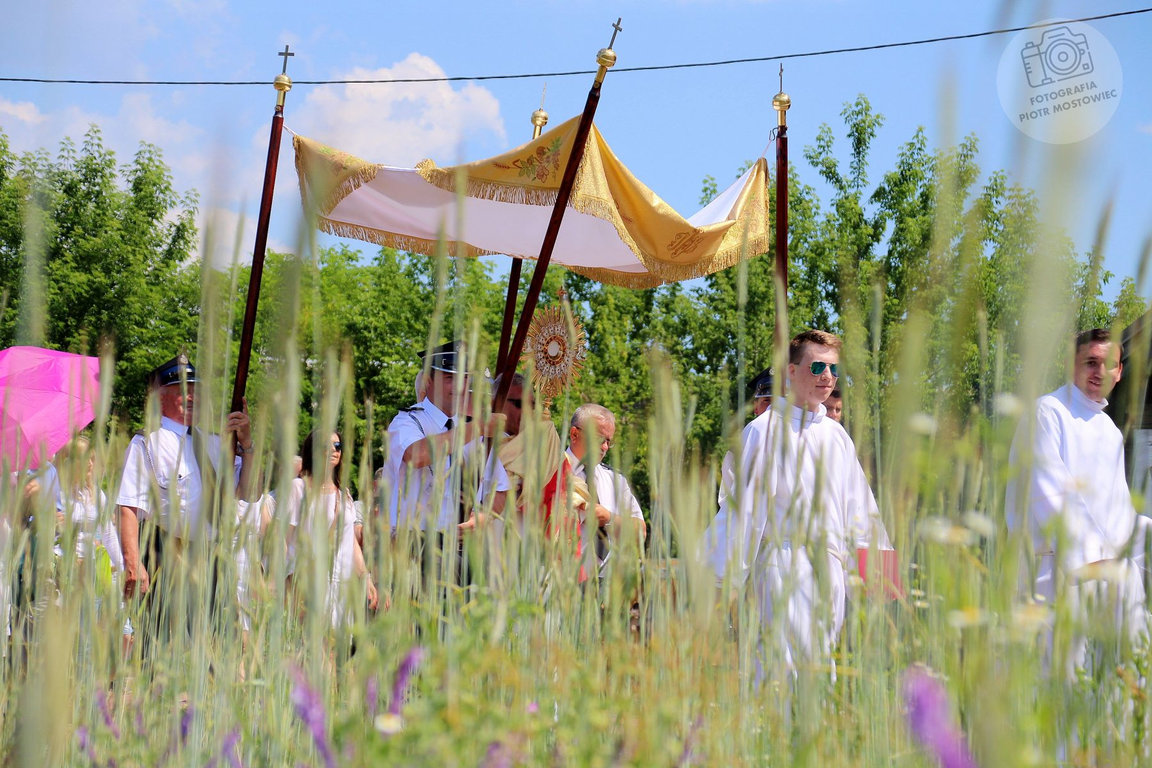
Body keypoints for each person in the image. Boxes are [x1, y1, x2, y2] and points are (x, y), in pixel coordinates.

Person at [734, 330, 892, 672]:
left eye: (835, 369)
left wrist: (879, 574)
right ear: (791, 372)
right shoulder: (763, 430)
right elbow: (743, 512)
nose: (828, 376)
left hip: (830, 568)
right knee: (783, 669)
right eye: (818, 366)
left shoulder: (836, 435)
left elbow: (859, 508)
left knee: (821, 671)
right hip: (784, 565)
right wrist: (720, 579)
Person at [1006, 328, 1148, 668]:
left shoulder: (1110, 431)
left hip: (1108, 579)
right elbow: (1049, 492)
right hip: (1057, 572)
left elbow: (1117, 512)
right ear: (1071, 364)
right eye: (1090, 362)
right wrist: (1093, 556)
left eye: (1109, 364)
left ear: (1120, 372)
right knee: (1058, 677)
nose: (1100, 371)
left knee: (1111, 680)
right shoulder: (1048, 412)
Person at [116, 353, 259, 645]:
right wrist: (133, 561)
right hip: (164, 555)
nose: (192, 396)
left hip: (210, 559)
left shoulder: (215, 443)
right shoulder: (147, 442)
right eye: (183, 390)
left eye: (196, 390)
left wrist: (246, 444)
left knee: (216, 648)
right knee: (161, 648)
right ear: (161, 398)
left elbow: (249, 492)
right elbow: (128, 506)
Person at [384, 340, 509, 586]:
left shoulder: (471, 430)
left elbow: (500, 487)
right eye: (450, 378)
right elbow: (416, 456)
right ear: (428, 380)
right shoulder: (408, 421)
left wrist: (482, 517)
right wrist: (478, 427)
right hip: (415, 546)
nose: (459, 386)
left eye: (464, 378)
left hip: (462, 549)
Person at [284, 429, 378, 626]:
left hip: (341, 584)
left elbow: (350, 542)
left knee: (337, 643)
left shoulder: (344, 495)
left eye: (337, 446)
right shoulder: (298, 488)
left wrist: (366, 577)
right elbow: (284, 539)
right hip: (308, 581)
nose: (334, 450)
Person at [701, 367, 774, 585]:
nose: (773, 408)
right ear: (756, 407)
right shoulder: (743, 444)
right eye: (767, 401)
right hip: (752, 553)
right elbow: (731, 504)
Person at [565, 404, 646, 576]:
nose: (605, 447)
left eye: (609, 441)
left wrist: (609, 518)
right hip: (561, 580)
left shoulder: (616, 481)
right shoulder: (552, 473)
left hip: (607, 583)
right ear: (574, 434)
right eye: (600, 439)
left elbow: (641, 532)